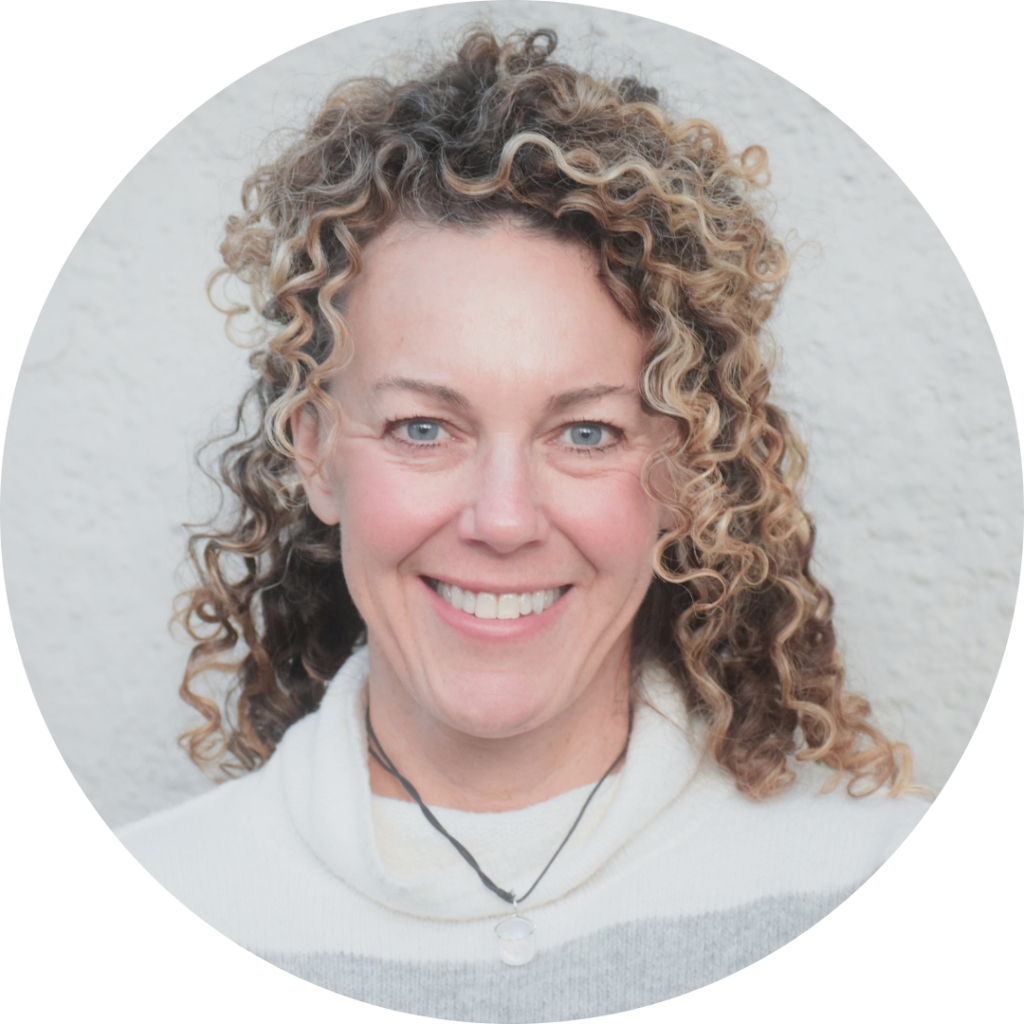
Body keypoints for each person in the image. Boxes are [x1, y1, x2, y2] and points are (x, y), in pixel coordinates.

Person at [115, 26, 930, 1017]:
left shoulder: (850, 869)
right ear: (315, 455)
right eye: (423, 426)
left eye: (586, 432)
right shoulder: (184, 885)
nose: (502, 520)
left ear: (683, 469)